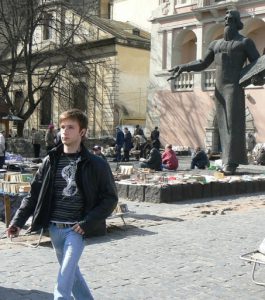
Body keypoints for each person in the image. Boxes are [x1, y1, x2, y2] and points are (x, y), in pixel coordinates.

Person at [7, 108, 118, 300]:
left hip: (76, 231)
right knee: (73, 277)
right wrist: (17, 222)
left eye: (70, 127)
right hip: (54, 229)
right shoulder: (50, 160)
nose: (64, 132)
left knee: (63, 284)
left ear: (82, 132)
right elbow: (34, 194)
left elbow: (110, 198)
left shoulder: (96, 164)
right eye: (62, 127)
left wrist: (87, 223)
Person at [168, 10, 264, 175]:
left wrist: (258, 79)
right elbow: (202, 63)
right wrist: (183, 67)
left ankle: (231, 162)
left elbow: (256, 65)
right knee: (222, 124)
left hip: (234, 86)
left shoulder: (245, 42)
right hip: (218, 88)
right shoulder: (215, 44)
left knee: (233, 124)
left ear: (238, 22)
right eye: (226, 18)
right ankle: (227, 160)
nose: (227, 21)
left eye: (231, 18)